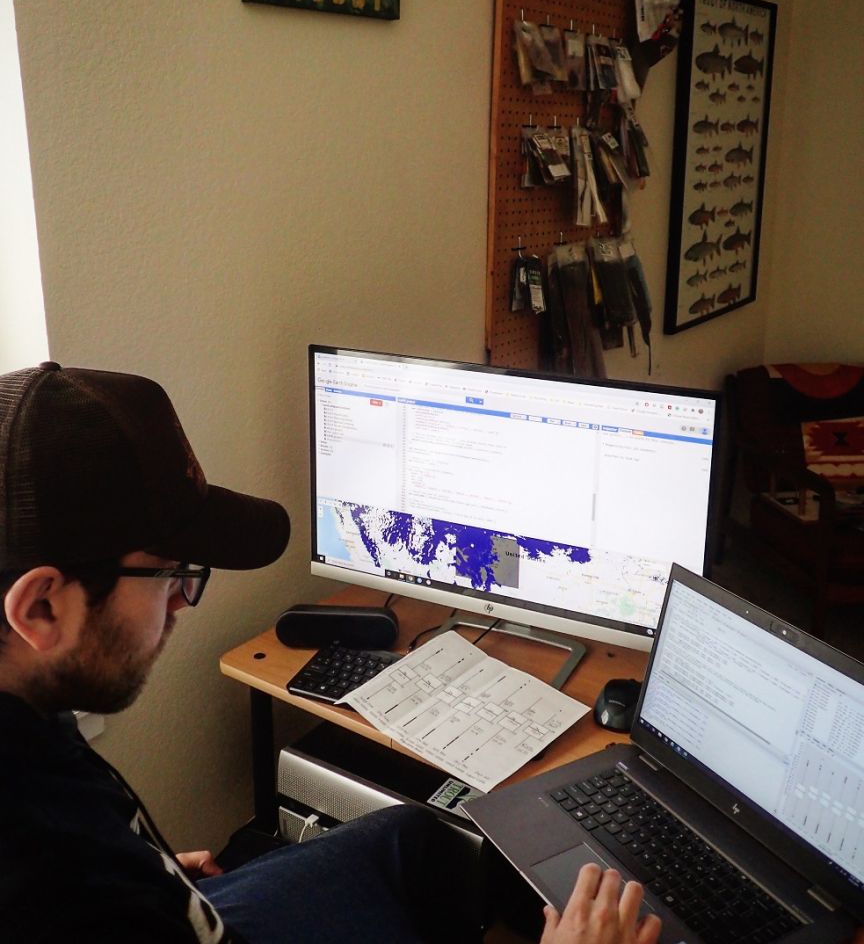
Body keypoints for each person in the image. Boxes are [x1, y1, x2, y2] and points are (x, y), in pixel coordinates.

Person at [0, 360, 663, 944]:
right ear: (40, 608)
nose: (181, 602)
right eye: (172, 573)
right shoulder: (48, 882)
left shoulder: (31, 710)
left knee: (414, 837)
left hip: (177, 907)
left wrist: (160, 877)